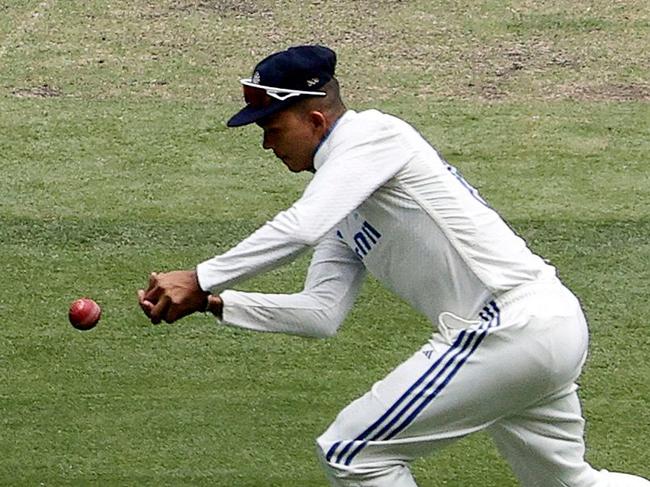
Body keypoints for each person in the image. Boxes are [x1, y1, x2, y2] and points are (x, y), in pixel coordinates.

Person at [137, 45, 649, 486]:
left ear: (315, 119)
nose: (268, 144)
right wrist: (215, 302)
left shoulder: (374, 136)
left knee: (351, 452)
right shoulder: (345, 202)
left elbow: (299, 228)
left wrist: (200, 275)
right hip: (540, 329)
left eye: (272, 128)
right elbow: (321, 313)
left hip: (510, 324)